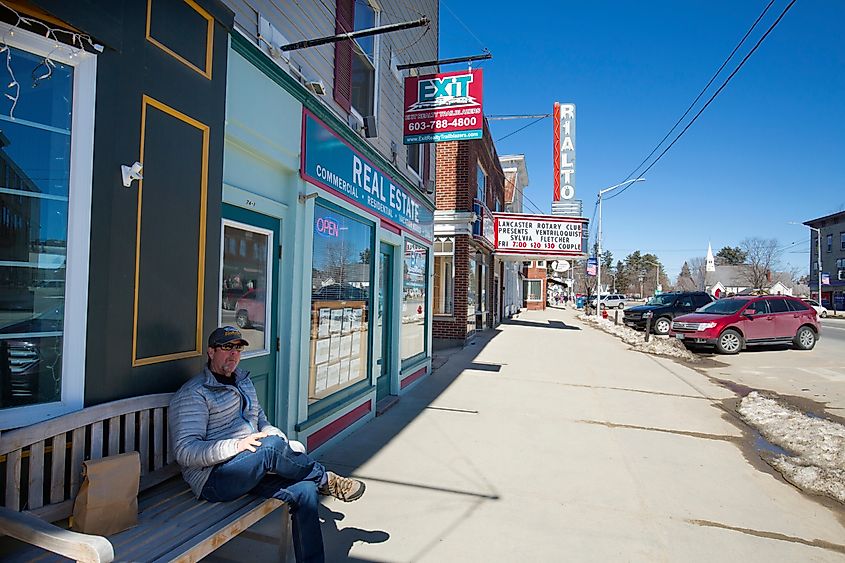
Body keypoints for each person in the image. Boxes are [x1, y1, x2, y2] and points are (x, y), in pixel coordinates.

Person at [169, 326, 365, 563]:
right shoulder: (195, 393)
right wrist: (238, 446)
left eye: (238, 349)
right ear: (211, 352)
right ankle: (325, 479)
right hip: (213, 479)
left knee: (305, 491)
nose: (233, 354)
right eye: (227, 347)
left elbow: (259, 419)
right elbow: (185, 451)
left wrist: (275, 436)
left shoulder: (242, 381)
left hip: (249, 466)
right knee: (271, 448)